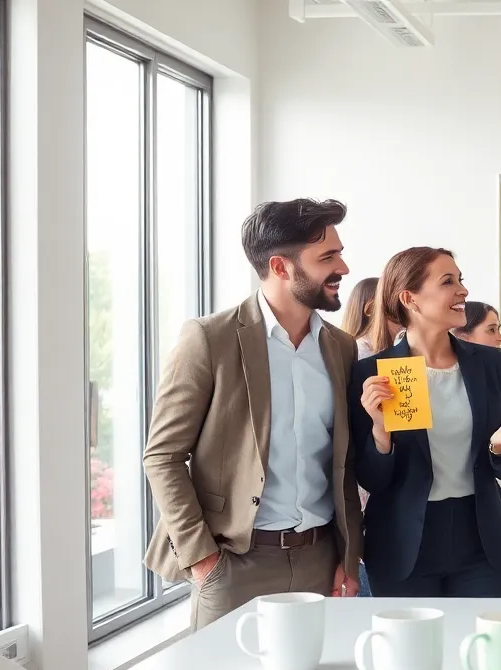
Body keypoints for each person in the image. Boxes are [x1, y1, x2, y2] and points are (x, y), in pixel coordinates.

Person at [143, 198, 363, 630]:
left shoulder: (341, 347)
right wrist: (202, 559)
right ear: (280, 267)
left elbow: (344, 463)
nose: (343, 267)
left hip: (321, 561)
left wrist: (348, 556)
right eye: (327, 257)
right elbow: (163, 456)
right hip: (235, 563)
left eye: (339, 253)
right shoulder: (210, 339)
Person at [349, 247, 501, 597]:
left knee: (486, 632)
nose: (463, 290)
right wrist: (381, 432)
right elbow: (372, 480)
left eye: (460, 280)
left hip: (480, 539)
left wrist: (500, 447)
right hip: (402, 542)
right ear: (410, 298)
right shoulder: (372, 374)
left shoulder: (491, 364)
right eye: (448, 282)